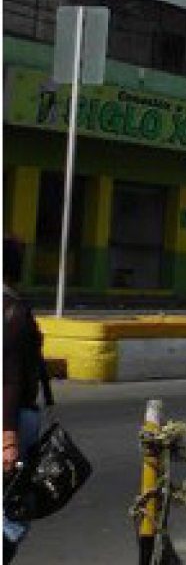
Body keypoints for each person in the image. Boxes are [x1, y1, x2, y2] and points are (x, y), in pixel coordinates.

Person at [3, 239, 46, 561]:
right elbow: (10, 378)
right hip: (13, 418)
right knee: (10, 513)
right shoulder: (13, 310)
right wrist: (8, 438)